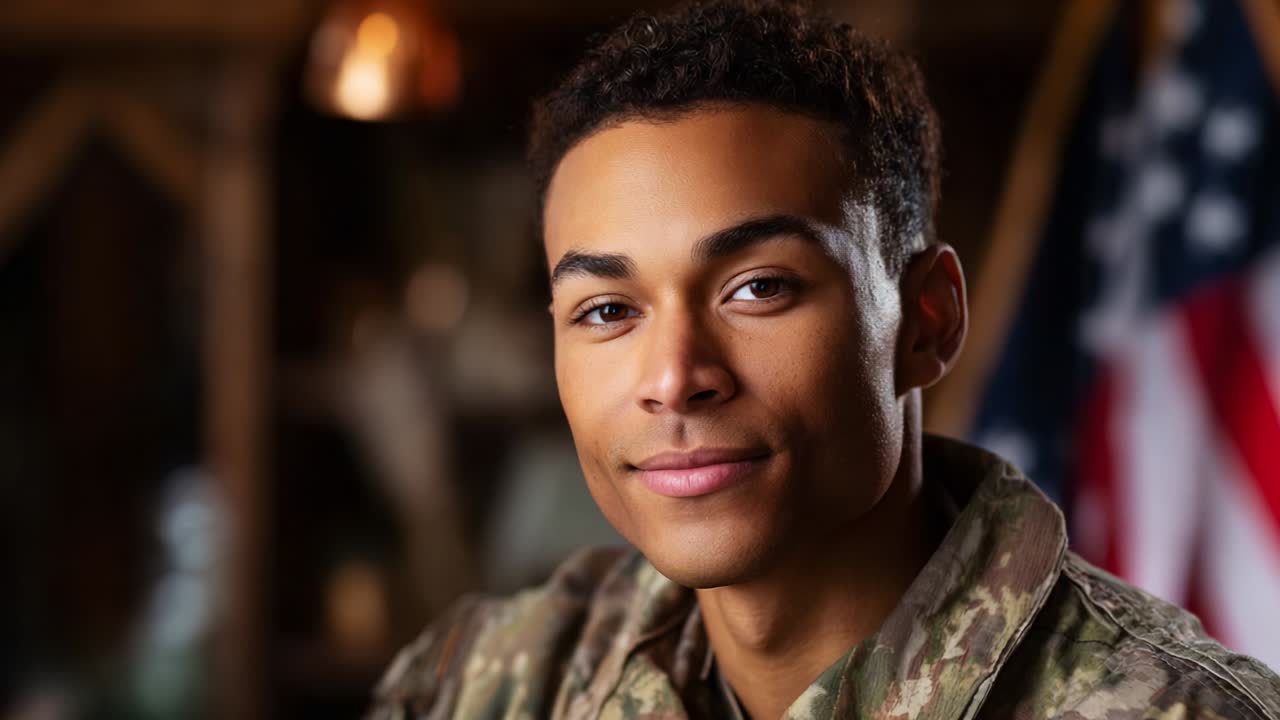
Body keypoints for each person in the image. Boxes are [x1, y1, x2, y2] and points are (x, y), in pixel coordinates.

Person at [367, 1, 1280, 718]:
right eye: (609, 310)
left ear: (926, 321)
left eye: (758, 288)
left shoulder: (1175, 712)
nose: (675, 375)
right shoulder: (491, 682)